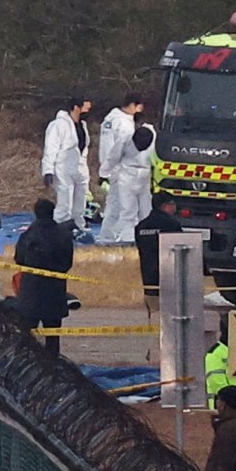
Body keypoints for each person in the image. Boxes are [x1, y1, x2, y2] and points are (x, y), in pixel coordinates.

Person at [11, 196, 79, 340]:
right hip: (55, 292)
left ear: (35, 213)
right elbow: (67, 262)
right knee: (53, 338)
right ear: (52, 212)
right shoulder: (64, 235)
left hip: (31, 292)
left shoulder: (28, 235)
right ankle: (52, 361)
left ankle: (28, 362)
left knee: (27, 339)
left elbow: (19, 259)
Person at [95, 98, 152, 250]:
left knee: (139, 209)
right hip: (126, 172)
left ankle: (127, 237)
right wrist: (105, 172)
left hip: (138, 174)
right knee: (126, 208)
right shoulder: (123, 127)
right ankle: (121, 238)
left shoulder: (116, 121)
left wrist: (105, 171)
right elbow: (113, 154)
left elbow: (112, 154)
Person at [40, 96, 92, 227]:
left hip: (80, 169)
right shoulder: (58, 125)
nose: (88, 111)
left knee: (80, 203)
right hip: (63, 169)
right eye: (85, 107)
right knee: (64, 204)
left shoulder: (83, 126)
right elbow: (50, 148)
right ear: (76, 107)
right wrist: (48, 170)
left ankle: (78, 227)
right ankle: (59, 229)